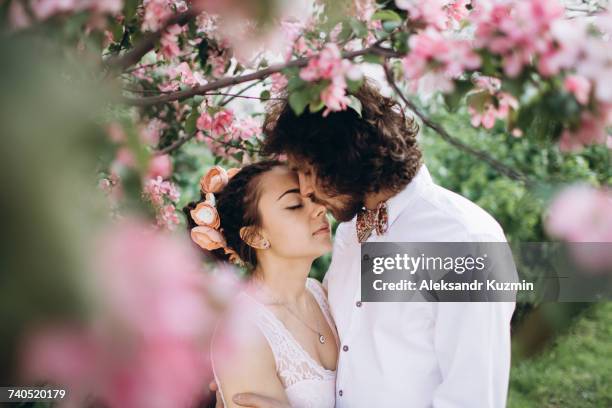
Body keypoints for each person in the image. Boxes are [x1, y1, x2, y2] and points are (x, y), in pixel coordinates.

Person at [224, 79, 515, 407]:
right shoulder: (351, 233)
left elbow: (473, 399)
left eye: (307, 171)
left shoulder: (466, 241)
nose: (305, 190)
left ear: (343, 158)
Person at [184, 161, 339, 408]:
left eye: (313, 197)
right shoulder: (244, 334)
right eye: (295, 205)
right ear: (256, 236)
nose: (320, 208)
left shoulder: (321, 292)